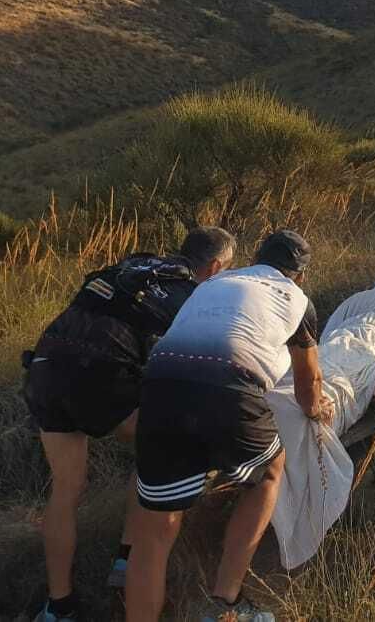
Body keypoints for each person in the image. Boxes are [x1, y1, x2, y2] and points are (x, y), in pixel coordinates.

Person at [23, 227, 235, 622]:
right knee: (163, 447)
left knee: (66, 487)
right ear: (217, 266)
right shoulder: (194, 295)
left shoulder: (135, 262)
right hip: (97, 376)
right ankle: (127, 563)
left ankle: (58, 607)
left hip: (45, 366)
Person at [124, 231, 328, 622]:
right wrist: (317, 410)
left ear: (255, 258)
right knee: (270, 472)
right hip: (229, 383)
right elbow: (309, 384)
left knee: (155, 531)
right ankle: (226, 601)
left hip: (160, 385)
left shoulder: (213, 282)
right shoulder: (297, 299)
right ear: (298, 275)